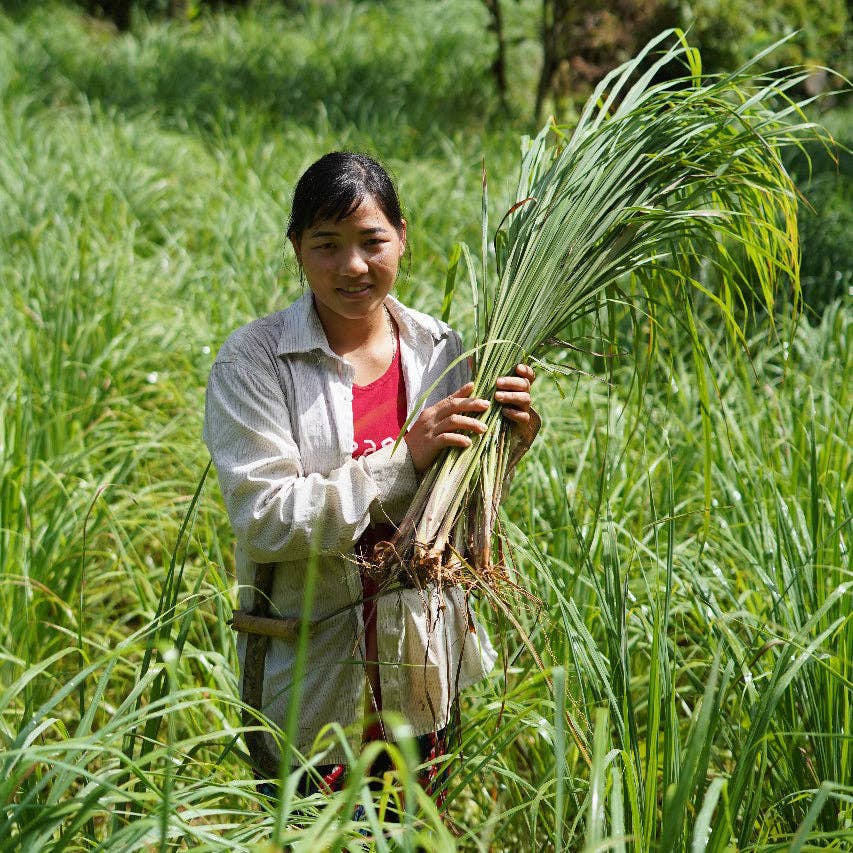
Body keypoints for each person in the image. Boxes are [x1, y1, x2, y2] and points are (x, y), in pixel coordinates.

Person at [203, 152, 536, 803]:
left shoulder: (442, 349)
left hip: (422, 678)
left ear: (402, 237)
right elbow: (264, 519)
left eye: (371, 241)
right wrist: (401, 460)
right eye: (326, 244)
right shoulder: (256, 361)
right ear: (296, 247)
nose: (352, 265)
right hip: (314, 688)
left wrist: (506, 448)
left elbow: (456, 521)